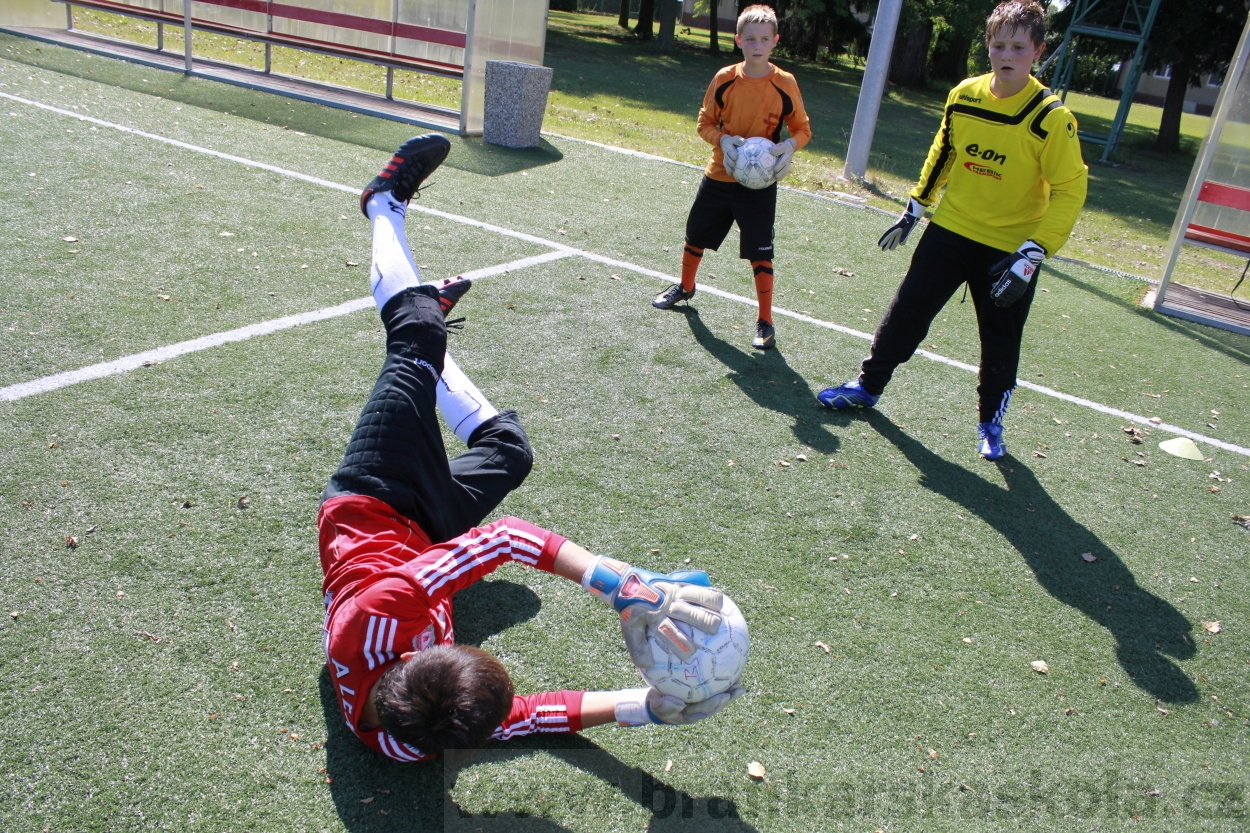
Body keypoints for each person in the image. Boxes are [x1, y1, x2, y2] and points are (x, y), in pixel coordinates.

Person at [319, 135, 744, 762]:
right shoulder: (419, 738)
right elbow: (526, 718)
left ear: (415, 659)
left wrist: (622, 585)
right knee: (509, 449)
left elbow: (506, 539)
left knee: (412, 342)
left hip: (371, 502)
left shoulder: (380, 614)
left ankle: (383, 206)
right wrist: (644, 707)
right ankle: (428, 322)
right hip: (429, 533)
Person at [816, 0, 1087, 461]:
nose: (1006, 55)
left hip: (1010, 251)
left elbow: (1070, 189)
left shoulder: (1051, 118)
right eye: (998, 45)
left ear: (1038, 51)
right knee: (906, 312)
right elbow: (944, 151)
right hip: (951, 229)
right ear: (987, 45)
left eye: (1018, 47)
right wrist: (915, 207)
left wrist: (1034, 251)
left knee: (1000, 340)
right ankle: (867, 387)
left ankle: (991, 423)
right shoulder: (964, 95)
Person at [651, 4, 812, 351]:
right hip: (720, 175)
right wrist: (722, 141)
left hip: (759, 186)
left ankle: (765, 321)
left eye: (764, 39)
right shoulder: (725, 78)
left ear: (775, 41)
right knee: (695, 236)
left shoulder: (784, 83)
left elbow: (803, 129)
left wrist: (788, 147)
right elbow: (704, 123)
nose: (757, 45)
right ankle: (685, 286)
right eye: (750, 39)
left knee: (760, 252)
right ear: (738, 40)